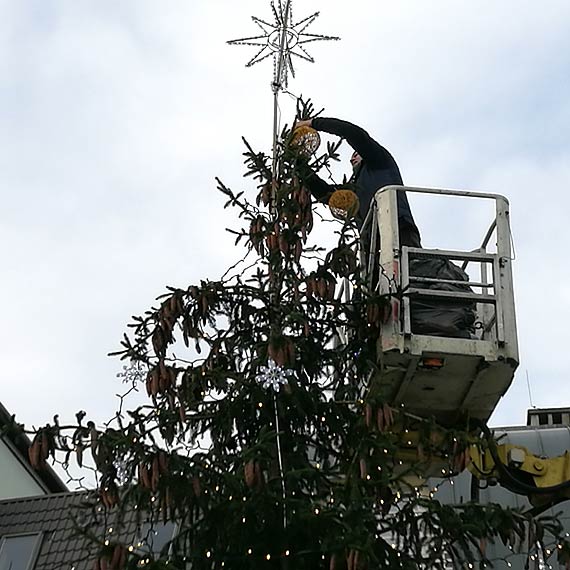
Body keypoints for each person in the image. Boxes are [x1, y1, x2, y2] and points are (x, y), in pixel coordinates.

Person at [295, 117, 421, 248]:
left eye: (356, 153)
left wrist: (312, 123)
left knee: (408, 265)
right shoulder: (353, 190)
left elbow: (352, 133)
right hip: (370, 244)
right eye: (351, 157)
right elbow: (325, 193)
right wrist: (297, 161)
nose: (352, 158)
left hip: (399, 229)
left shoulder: (379, 160)